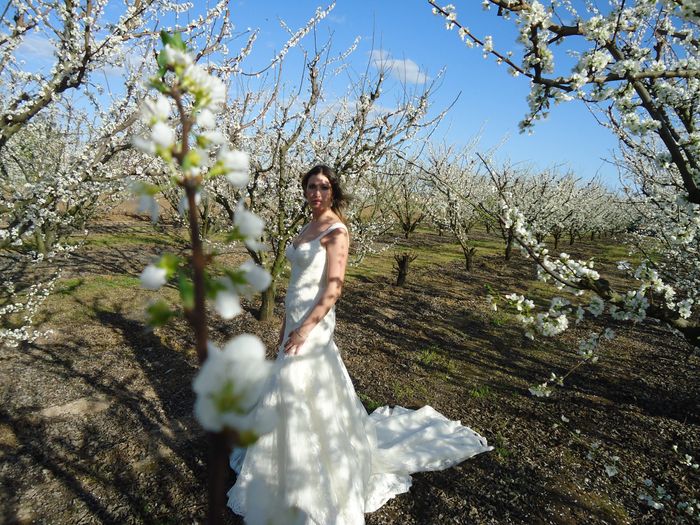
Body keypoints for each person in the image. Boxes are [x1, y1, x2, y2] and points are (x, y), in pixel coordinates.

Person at [227, 165, 492, 524]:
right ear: (304, 190)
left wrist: (305, 329)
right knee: (286, 385)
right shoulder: (307, 225)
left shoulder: (337, 231)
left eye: (323, 187)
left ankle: (312, 477)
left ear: (333, 190)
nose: (316, 193)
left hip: (315, 323)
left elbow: (333, 288)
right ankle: (279, 467)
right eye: (310, 186)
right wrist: (287, 325)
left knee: (299, 385)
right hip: (295, 317)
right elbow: (297, 280)